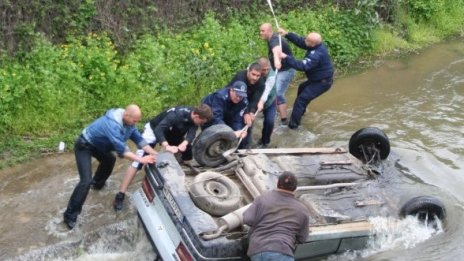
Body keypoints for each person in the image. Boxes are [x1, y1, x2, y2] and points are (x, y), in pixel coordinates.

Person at [63, 104, 157, 230]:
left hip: (99, 146)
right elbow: (123, 151)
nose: (136, 123)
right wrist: (141, 159)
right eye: (134, 121)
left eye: (137, 121)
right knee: (85, 181)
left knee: (109, 159)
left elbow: (140, 141)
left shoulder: (130, 124)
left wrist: (156, 154)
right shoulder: (112, 124)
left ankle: (96, 184)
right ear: (127, 115)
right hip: (84, 145)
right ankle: (69, 216)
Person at [113, 104, 213, 211]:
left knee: (188, 150)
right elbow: (159, 130)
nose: (202, 124)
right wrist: (166, 145)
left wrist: (185, 143)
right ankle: (120, 194)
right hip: (154, 130)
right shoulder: (175, 115)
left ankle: (181, 172)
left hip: (173, 133)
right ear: (196, 116)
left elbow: (192, 132)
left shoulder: (195, 115)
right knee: (137, 163)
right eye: (202, 122)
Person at [243, 171, 310, 261]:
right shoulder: (302, 209)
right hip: (282, 251)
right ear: (295, 188)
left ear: (278, 183)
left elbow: (247, 219)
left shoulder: (262, 199)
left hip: (257, 251)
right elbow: (302, 238)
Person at [278, 29, 334, 129]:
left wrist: (286, 57)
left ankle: (293, 127)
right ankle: (300, 113)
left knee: (300, 100)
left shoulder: (317, 54)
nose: (305, 41)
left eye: (307, 40)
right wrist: (287, 34)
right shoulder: (316, 45)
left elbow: (303, 66)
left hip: (322, 82)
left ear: (313, 44)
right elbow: (301, 41)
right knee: (302, 88)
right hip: (317, 79)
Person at [259, 22, 296, 126]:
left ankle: (284, 121)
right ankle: (271, 109)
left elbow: (276, 50)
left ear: (270, 31)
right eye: (260, 30)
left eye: (263, 31)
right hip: (278, 70)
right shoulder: (272, 38)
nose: (260, 33)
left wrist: (276, 61)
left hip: (286, 70)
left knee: (278, 93)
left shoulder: (274, 39)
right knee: (270, 89)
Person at [227, 62, 265, 148]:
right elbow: (237, 97)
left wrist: (251, 112)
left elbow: (255, 100)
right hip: (234, 100)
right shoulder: (240, 77)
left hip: (248, 102)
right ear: (248, 71)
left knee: (248, 123)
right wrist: (246, 112)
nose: (255, 78)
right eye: (253, 74)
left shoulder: (261, 83)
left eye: (257, 76)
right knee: (232, 123)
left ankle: (245, 146)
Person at [201, 81, 249, 148]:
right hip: (209, 114)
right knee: (208, 137)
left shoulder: (244, 102)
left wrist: (239, 130)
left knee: (238, 135)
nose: (238, 98)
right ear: (231, 90)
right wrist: (229, 132)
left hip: (228, 113)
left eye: (241, 97)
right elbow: (216, 117)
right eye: (237, 95)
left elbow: (237, 119)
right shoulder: (220, 96)